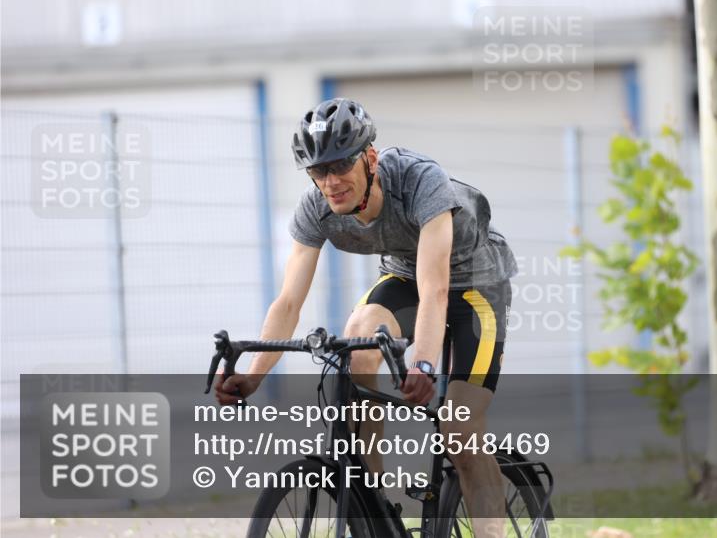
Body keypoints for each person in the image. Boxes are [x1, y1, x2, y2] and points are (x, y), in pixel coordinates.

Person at [215, 97, 517, 536]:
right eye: (318, 171)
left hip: (474, 284)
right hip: (405, 275)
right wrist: (255, 376)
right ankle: (371, 509)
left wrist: (424, 366)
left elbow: (435, 290)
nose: (331, 182)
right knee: (358, 343)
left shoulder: (419, 181)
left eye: (340, 166)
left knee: (459, 429)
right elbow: (287, 304)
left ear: (370, 159)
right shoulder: (316, 208)